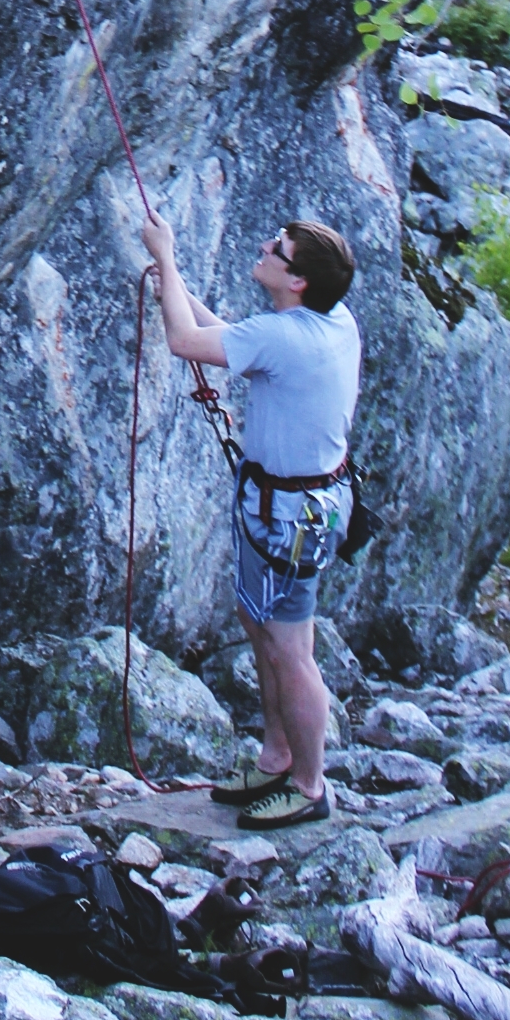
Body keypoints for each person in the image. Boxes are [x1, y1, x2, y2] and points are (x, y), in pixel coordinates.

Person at [137, 205, 361, 830]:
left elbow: (186, 343)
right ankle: (276, 755)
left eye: (279, 250)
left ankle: (310, 786)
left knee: (290, 650)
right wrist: (175, 288)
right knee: (263, 627)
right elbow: (235, 337)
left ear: (297, 283)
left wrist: (168, 257)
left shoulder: (286, 336)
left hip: (286, 515)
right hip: (298, 507)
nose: (265, 246)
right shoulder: (332, 321)